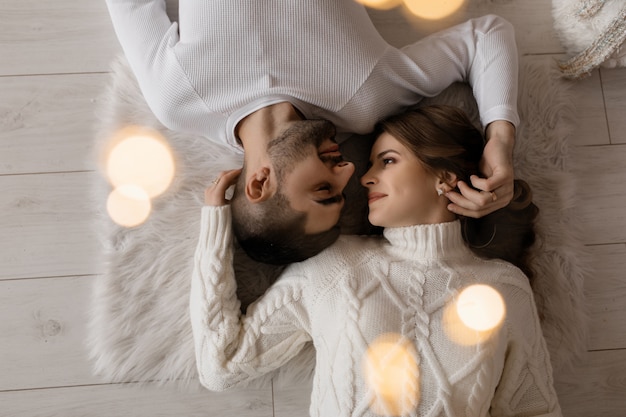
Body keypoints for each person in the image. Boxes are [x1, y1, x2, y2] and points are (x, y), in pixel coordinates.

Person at [189, 105, 562, 417]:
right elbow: (221, 365)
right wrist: (216, 224)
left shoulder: (505, 287)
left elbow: (534, 408)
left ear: (445, 178)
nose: (365, 178)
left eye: (387, 161)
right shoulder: (332, 267)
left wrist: (500, 140)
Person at [105, 0, 520, 263]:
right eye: (342, 192)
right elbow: (486, 37)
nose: (347, 172)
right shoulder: (365, 99)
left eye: (324, 190)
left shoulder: (180, 99)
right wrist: (500, 141)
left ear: (259, 183)